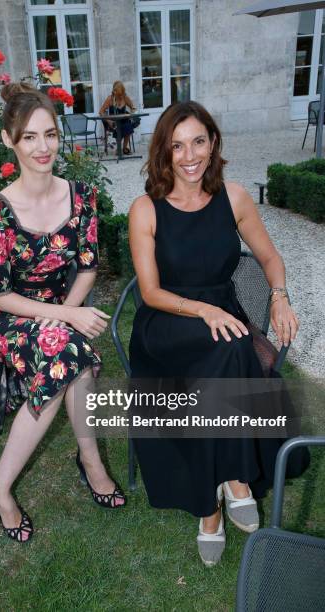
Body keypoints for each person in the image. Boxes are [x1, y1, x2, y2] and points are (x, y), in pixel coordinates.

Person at [128, 101, 309, 566]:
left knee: (228, 350)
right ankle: (234, 482)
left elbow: (269, 258)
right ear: (162, 153)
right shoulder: (145, 209)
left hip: (220, 317)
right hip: (167, 321)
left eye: (198, 142)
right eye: (176, 145)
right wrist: (203, 310)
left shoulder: (235, 198)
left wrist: (279, 295)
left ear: (213, 144)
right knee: (232, 347)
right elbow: (149, 292)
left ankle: (214, 502)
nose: (189, 155)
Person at [0, 82, 126, 544]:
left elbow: (89, 268)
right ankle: (7, 485)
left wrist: (63, 313)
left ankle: (54, 469)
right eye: (29, 137)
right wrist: (66, 319)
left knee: (65, 354)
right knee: (68, 356)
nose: (43, 147)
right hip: (3, 314)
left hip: (57, 307)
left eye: (50, 134)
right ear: (10, 141)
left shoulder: (82, 195)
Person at [99, 80, 137, 155]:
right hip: (113, 122)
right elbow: (101, 112)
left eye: (121, 94)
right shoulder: (110, 99)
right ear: (114, 92)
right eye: (118, 94)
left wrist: (131, 113)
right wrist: (108, 120)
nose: (120, 96)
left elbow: (133, 108)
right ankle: (119, 148)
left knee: (128, 126)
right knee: (119, 127)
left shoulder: (125, 98)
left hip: (123, 120)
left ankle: (124, 148)